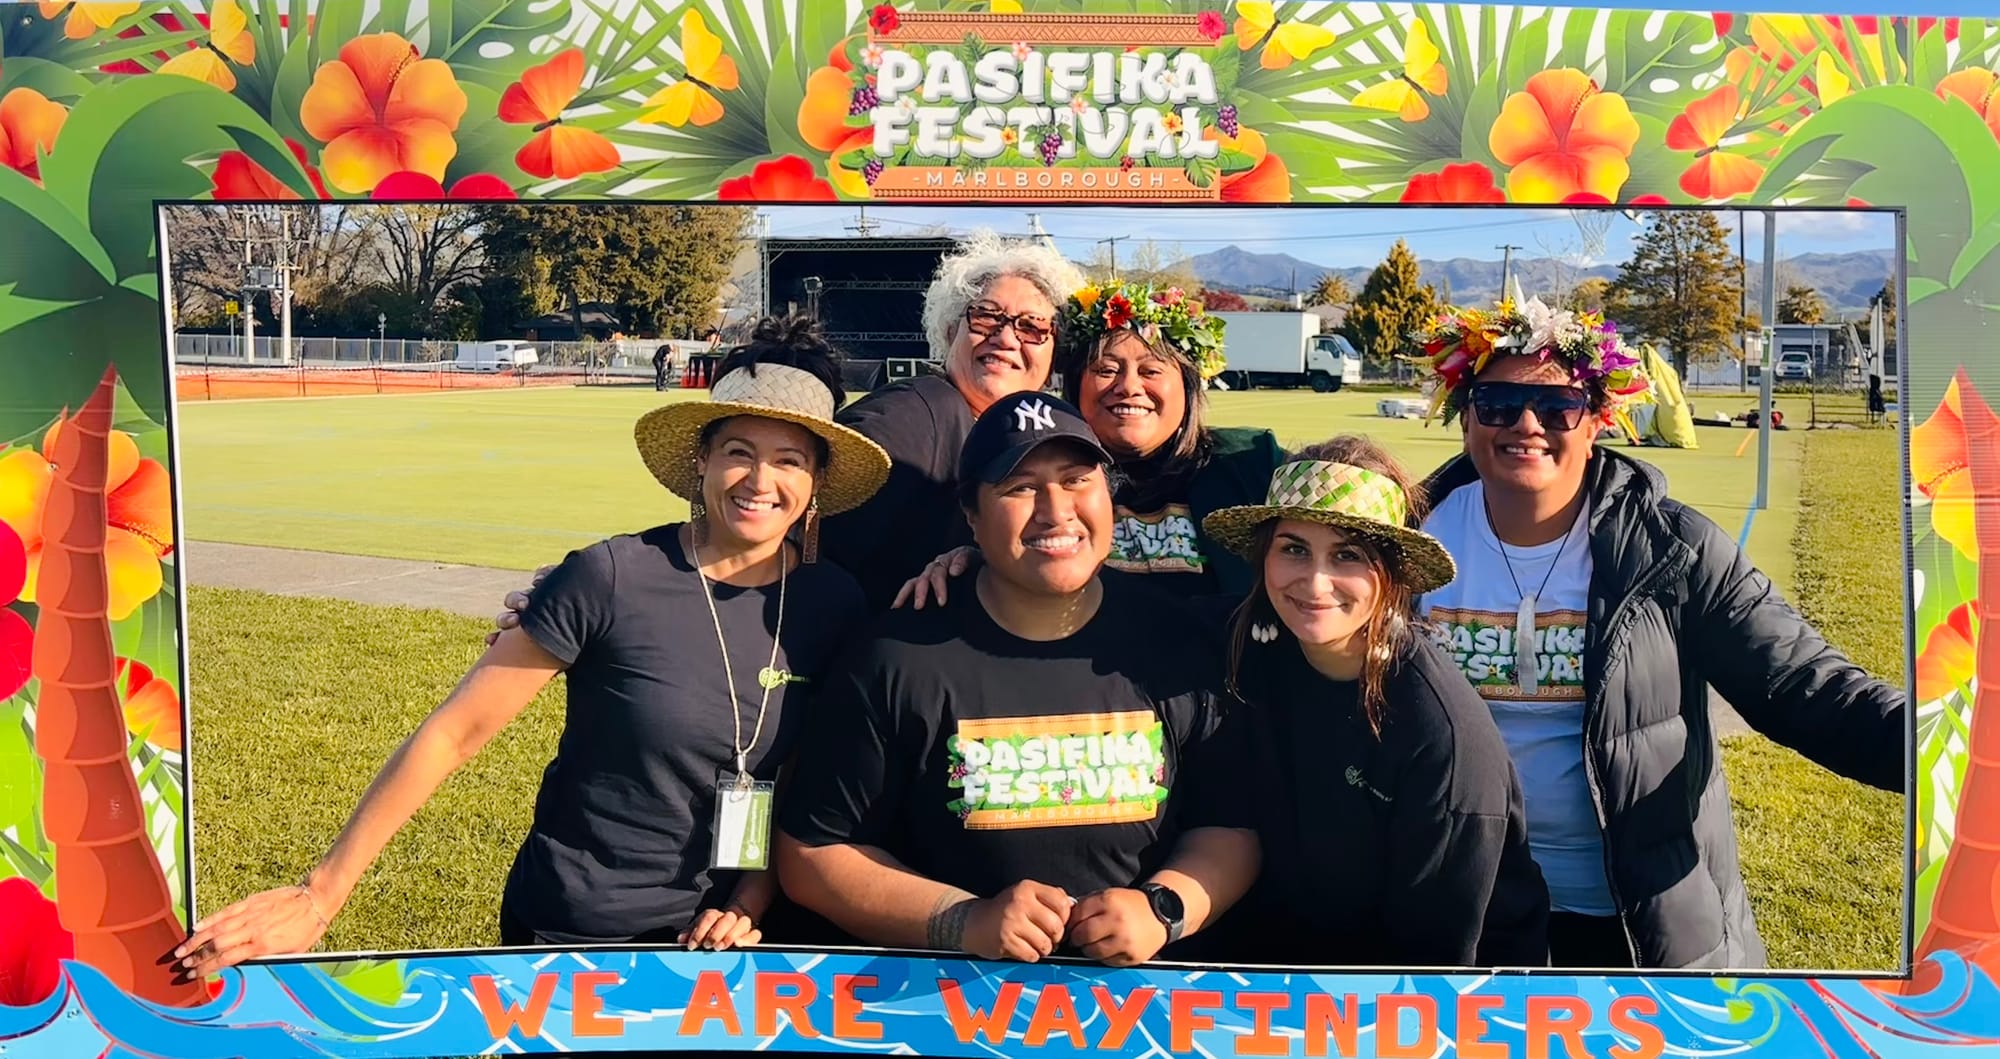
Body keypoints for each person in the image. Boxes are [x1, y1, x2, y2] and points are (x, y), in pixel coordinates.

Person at [171, 318, 890, 976]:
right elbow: (454, 733)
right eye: (739, 451)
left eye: (789, 460)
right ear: (701, 458)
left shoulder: (835, 602)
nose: (760, 481)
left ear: (817, 481)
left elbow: (801, 771)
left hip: (728, 941)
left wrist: (752, 902)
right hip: (576, 932)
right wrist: (319, 893)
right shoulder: (609, 577)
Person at [1407, 298, 1906, 969]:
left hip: (1640, 920)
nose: (1526, 424)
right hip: (1464, 911)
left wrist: (1947, 750)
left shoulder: (1675, 549)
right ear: (1465, 416)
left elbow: (1803, 685)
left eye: (1556, 407)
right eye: (1497, 402)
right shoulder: (1405, 545)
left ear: (1596, 422)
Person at [774, 391, 1259, 966]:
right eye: (1020, 487)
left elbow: (1233, 826)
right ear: (971, 518)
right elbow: (812, 854)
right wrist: (962, 921)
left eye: (1077, 479)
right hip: (953, 1017)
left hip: (1152, 1023)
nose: (1056, 511)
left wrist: (1163, 909)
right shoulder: (898, 656)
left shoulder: (1180, 642)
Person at [1195, 437, 1548, 967]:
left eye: (1347, 556)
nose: (1315, 582)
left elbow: (1436, 959)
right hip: (1264, 983)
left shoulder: (1439, 731)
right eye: (1293, 548)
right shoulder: (1242, 649)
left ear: (1392, 574)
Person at [895, 280, 1285, 607]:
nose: (1129, 387)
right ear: (1074, 385)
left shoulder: (1250, 464)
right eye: (1105, 370)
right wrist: (978, 561)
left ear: (1187, 387)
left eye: (1151, 370)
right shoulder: (1018, 477)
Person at [817, 231, 1088, 610]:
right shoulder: (918, 410)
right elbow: (811, 530)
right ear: (950, 331)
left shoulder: (1028, 437)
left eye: (1032, 327)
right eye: (986, 316)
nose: (1006, 337)